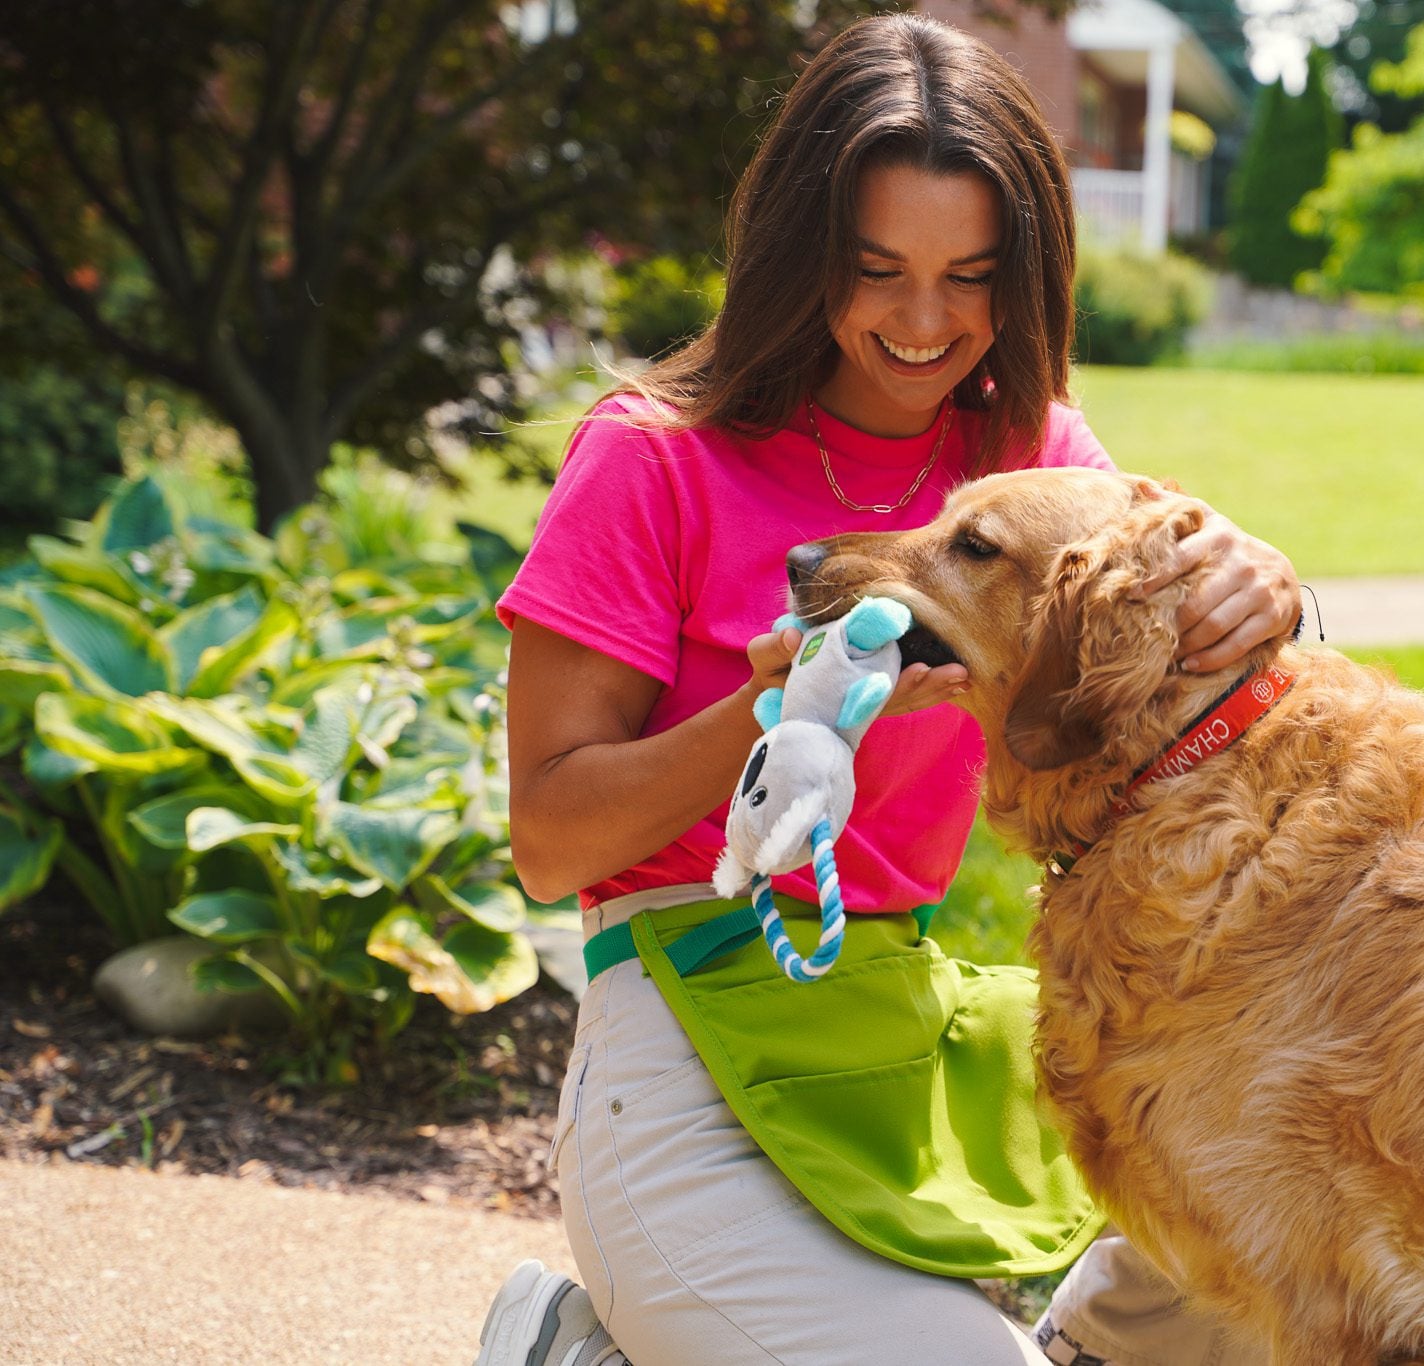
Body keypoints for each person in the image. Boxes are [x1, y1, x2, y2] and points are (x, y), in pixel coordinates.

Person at [474, 14, 1299, 1365]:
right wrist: (778, 710)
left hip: (906, 1021)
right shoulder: (652, 458)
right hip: (678, 1033)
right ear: (802, 258)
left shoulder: (1030, 458)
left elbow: (1196, 670)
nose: (926, 325)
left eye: (970, 277)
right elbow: (550, 836)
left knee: (1302, 1201)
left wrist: (1268, 585)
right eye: (878, 272)